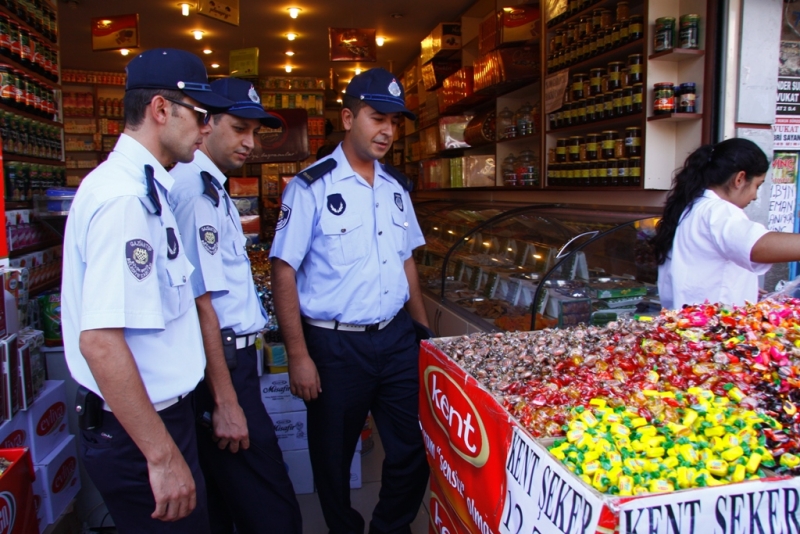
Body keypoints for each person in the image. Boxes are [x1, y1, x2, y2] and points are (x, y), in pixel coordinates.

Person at [61, 48, 234, 532]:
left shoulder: (148, 189)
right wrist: (160, 456)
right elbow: (100, 341)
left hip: (157, 422)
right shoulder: (124, 201)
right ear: (161, 110)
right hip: (140, 433)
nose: (207, 128)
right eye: (200, 115)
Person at [270, 68, 431, 534]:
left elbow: (407, 263)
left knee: (412, 447)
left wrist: (423, 335)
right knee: (333, 458)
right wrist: (297, 355)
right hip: (335, 347)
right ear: (347, 116)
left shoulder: (398, 186)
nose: (387, 130)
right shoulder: (309, 187)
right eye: (376, 117)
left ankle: (389, 527)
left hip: (398, 337)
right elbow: (284, 270)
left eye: (394, 122)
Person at [169, 77, 302, 534]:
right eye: (239, 129)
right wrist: (226, 401)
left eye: (255, 132)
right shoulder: (193, 192)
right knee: (272, 506)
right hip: (221, 363)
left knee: (230, 498)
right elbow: (200, 304)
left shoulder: (212, 186)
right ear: (205, 125)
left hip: (230, 360)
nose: (250, 143)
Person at [653, 137, 800, 309]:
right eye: (757, 186)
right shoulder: (718, 211)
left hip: (688, 322)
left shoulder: (693, 206)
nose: (755, 196)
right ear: (740, 179)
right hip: (708, 328)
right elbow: (758, 246)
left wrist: (744, 286)